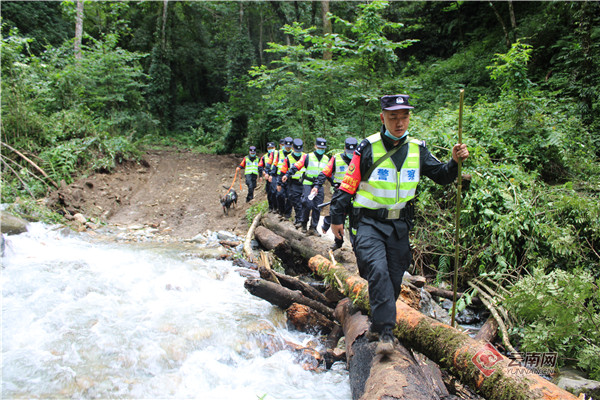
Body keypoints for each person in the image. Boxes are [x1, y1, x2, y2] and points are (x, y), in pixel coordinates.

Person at [329, 94, 469, 356]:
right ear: (382, 118)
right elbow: (348, 183)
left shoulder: (417, 149)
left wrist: (455, 162)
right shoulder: (367, 147)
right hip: (369, 222)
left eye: (404, 116)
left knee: (393, 280)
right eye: (393, 117)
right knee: (378, 271)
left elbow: (441, 175)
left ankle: (375, 324)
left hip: (400, 226)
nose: (399, 122)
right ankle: (385, 332)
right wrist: (336, 217)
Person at [313, 136, 358, 249]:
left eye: (353, 152)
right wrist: (317, 186)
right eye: (349, 152)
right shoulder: (336, 159)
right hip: (340, 193)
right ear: (344, 148)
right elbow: (325, 173)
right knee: (337, 217)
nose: (351, 154)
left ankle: (355, 245)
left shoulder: (360, 159)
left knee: (356, 219)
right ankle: (338, 242)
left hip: (357, 194)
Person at [286, 138, 330, 236]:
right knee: (307, 203)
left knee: (317, 206)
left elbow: (329, 173)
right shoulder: (308, 156)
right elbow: (298, 165)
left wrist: (335, 184)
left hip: (319, 185)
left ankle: (313, 228)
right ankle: (304, 223)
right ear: (315, 146)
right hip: (307, 183)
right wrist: (287, 174)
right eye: (319, 147)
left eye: (323, 148)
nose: (321, 149)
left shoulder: (327, 159)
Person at [278, 138, 305, 224]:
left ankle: (301, 220)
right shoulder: (288, 158)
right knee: (296, 201)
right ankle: (298, 220)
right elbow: (283, 171)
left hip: (305, 182)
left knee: (304, 202)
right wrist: (279, 183)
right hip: (293, 182)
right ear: (293, 148)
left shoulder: (305, 156)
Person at [274, 137, 293, 217]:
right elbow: (275, 164)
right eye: (286, 146)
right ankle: (281, 211)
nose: (288, 148)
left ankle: (287, 214)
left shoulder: (294, 154)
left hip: (291, 179)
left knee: (290, 196)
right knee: (279, 195)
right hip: (280, 177)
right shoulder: (279, 153)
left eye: (289, 146)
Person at [259, 141, 277, 212]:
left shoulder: (278, 155)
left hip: (275, 176)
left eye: (272, 148)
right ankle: (271, 207)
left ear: (275, 148)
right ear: (267, 149)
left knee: (275, 192)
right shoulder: (264, 157)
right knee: (269, 192)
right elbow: (260, 166)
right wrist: (264, 173)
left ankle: (276, 207)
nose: (271, 149)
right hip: (267, 175)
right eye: (269, 148)